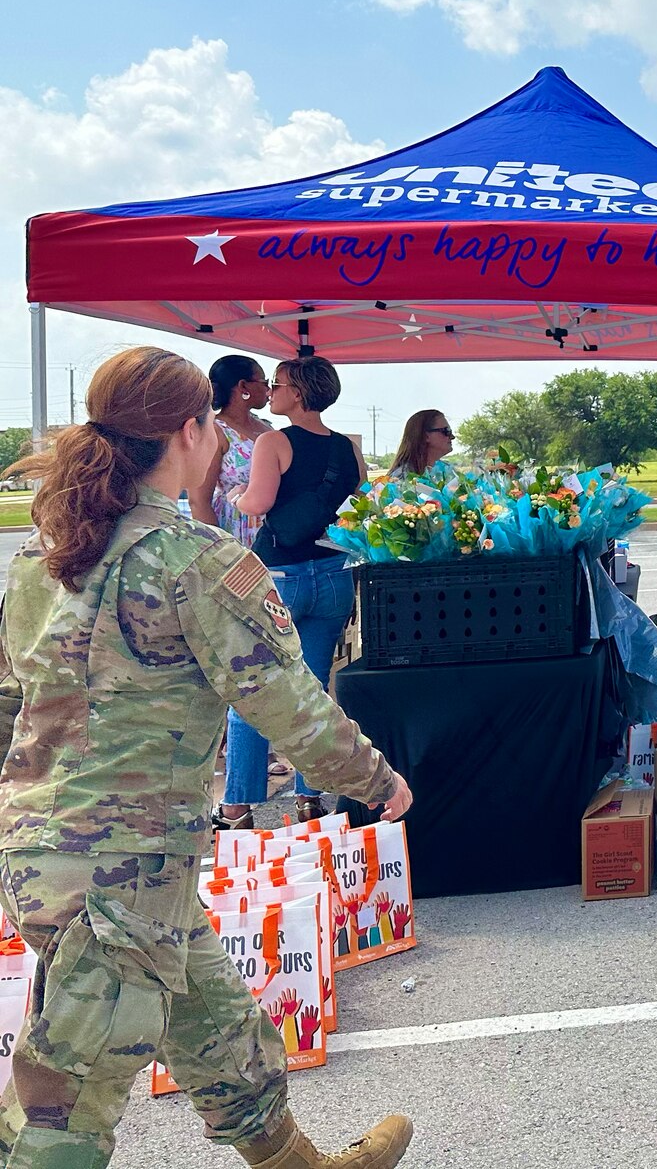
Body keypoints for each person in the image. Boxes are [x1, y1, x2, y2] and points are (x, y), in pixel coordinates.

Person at [0, 345, 414, 1168]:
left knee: (218, 1028)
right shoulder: (196, 562)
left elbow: (9, 708)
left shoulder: (42, 562)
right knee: (64, 1109)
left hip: (62, 860)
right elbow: (285, 702)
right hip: (119, 876)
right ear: (190, 432)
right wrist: (377, 779)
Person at [223, 356, 368, 827]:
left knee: (253, 687)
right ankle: (310, 798)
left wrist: (234, 497)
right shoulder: (348, 447)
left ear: (299, 392)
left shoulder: (273, 441)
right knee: (314, 690)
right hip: (332, 574)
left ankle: (239, 804)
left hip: (280, 577)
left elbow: (258, 502)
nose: (272, 389)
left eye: (278, 383)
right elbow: (361, 504)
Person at [191, 355, 273, 547]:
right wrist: (220, 551)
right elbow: (198, 501)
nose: (269, 389)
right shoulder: (215, 431)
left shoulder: (267, 428)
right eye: (264, 382)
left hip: (275, 536)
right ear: (243, 386)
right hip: (235, 533)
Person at [386, 409, 454, 478]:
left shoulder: (448, 472)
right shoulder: (399, 480)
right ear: (426, 436)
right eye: (446, 431)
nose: (452, 437)